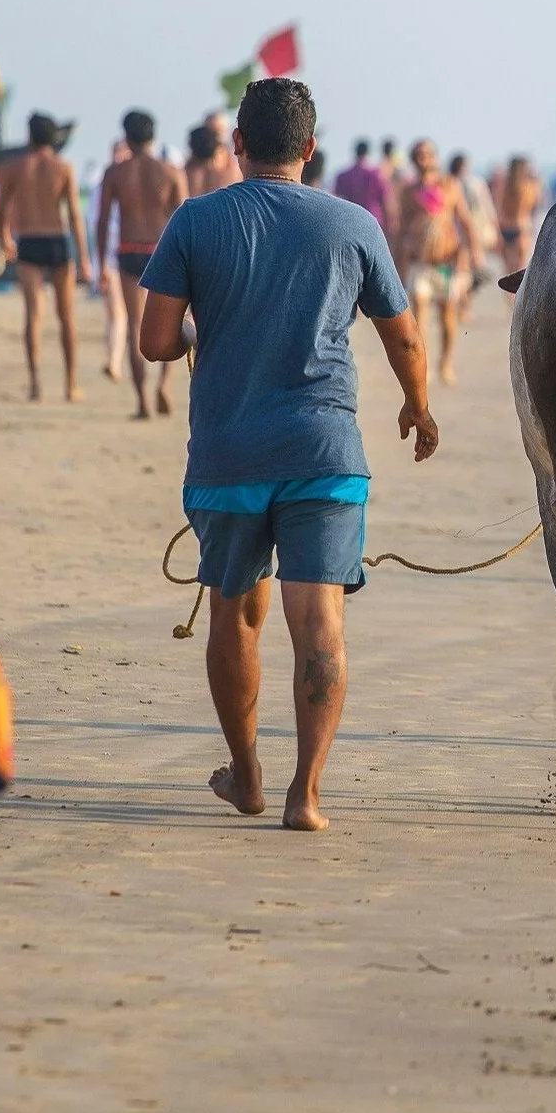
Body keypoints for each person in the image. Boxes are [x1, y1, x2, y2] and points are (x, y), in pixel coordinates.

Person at [136, 77, 436, 832]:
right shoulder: (352, 222)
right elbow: (401, 333)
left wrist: (202, 337)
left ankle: (246, 774)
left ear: (237, 144)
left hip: (229, 453)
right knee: (320, 623)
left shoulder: (197, 221)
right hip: (325, 451)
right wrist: (418, 407)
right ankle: (307, 792)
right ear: (310, 148)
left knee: (237, 617)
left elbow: (154, 340)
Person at [0, 112, 92, 401]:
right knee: (66, 316)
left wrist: (4, 238)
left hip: (29, 242)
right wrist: (84, 258)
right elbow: (75, 215)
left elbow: (0, 207)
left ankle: (35, 381)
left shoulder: (15, 167)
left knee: (33, 316)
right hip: (57, 241)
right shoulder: (63, 168)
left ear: (29, 136)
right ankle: (71, 384)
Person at [98, 110, 188, 418]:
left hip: (128, 250)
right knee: (172, 322)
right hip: (161, 250)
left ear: (126, 136)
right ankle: (164, 384)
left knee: (135, 327)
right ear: (153, 135)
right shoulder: (171, 171)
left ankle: (142, 402)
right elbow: (186, 220)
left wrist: (100, 265)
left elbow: (102, 221)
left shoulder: (115, 173)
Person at [392, 139, 477, 386]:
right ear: (413, 160)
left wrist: (472, 255)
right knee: (419, 313)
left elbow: (465, 220)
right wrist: (396, 262)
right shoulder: (408, 192)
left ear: (435, 158)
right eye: (418, 155)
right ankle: (425, 366)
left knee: (448, 318)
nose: (423, 159)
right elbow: (400, 229)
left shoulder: (450, 186)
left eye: (428, 155)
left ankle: (446, 362)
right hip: (419, 262)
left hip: (446, 262)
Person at [89, 137, 132, 381]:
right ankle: (114, 362)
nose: (118, 157)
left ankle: (121, 361)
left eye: (122, 152)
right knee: (116, 313)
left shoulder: (137, 183)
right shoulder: (102, 185)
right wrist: (100, 262)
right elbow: (96, 223)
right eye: (115, 152)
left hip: (135, 253)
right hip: (110, 257)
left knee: (127, 315)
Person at [447, 152, 500, 327]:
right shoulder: (475, 183)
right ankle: (463, 306)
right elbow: (486, 206)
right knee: (469, 271)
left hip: (454, 231)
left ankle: (459, 305)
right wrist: (494, 226)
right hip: (471, 231)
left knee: (461, 270)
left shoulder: (448, 183)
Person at [493, 155, 542, 284]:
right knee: (520, 273)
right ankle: (515, 303)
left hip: (505, 229)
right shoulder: (530, 187)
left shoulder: (503, 187)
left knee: (508, 273)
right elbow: (535, 205)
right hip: (522, 229)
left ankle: (509, 302)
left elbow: (499, 209)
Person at [332, 139, 392, 231]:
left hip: (350, 221)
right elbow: (385, 200)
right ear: (368, 152)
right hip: (373, 221)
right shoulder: (375, 175)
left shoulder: (343, 175)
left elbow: (336, 199)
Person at [185, 116, 239, 199]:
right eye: (210, 132)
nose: (214, 138)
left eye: (217, 132)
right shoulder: (190, 167)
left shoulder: (234, 166)